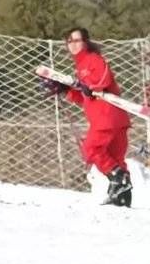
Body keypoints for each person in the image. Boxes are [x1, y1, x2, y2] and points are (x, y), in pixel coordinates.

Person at [41, 27, 132, 207]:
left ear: (86, 42)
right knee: (114, 157)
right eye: (69, 41)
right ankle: (122, 197)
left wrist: (91, 86)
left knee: (91, 149)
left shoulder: (93, 59)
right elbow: (84, 98)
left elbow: (103, 79)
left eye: (77, 40)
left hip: (107, 117)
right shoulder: (80, 67)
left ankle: (119, 178)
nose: (73, 45)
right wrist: (65, 90)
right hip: (113, 119)